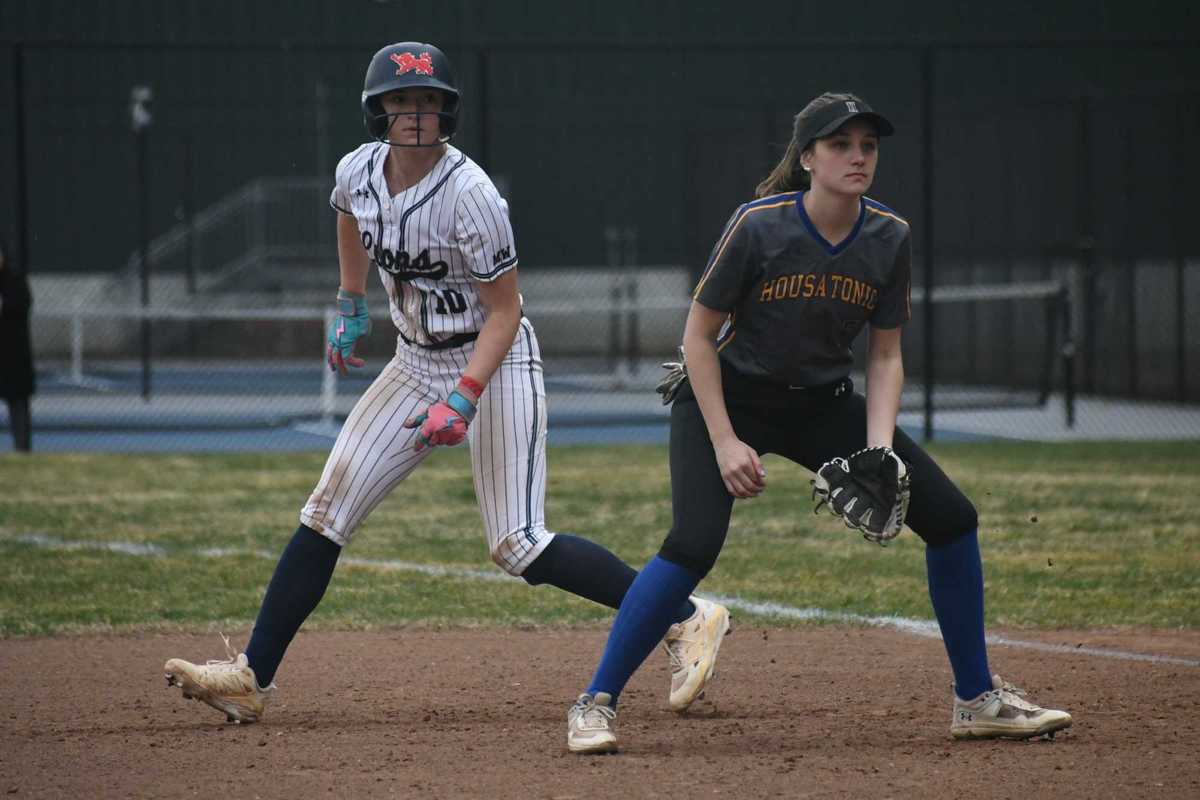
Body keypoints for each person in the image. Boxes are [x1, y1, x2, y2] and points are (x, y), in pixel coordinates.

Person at [163, 42, 729, 723]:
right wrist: (349, 304)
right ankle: (253, 678)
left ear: (446, 110)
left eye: (428, 100)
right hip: (412, 358)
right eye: (402, 101)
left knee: (517, 542)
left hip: (494, 356)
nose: (416, 114)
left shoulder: (472, 195)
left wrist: (463, 398)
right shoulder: (359, 169)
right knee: (326, 511)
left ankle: (685, 614)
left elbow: (505, 310)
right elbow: (349, 214)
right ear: (379, 109)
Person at [563, 92, 1073, 754]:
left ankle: (976, 700)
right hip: (728, 394)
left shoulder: (890, 236)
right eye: (840, 145)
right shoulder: (760, 225)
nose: (858, 156)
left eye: (868, 145)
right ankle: (595, 702)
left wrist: (881, 452)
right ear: (807, 159)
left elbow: (886, 355)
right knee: (692, 543)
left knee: (952, 519)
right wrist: (724, 443)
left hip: (821, 402)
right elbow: (696, 340)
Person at [0, 235, 34, 453]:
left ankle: (22, 450)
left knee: (18, 404)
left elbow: (22, 304)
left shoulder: (14, 280)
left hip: (11, 357)